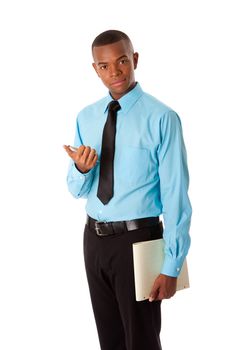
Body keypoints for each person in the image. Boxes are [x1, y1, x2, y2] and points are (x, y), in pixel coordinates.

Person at [63, 29, 192, 350]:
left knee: (142, 340)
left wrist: (172, 264)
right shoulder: (87, 117)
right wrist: (81, 169)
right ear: (95, 69)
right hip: (93, 239)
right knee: (110, 339)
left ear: (134, 59)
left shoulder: (163, 118)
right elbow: (76, 189)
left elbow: (176, 195)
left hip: (139, 241)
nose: (115, 71)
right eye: (104, 66)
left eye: (122, 61)